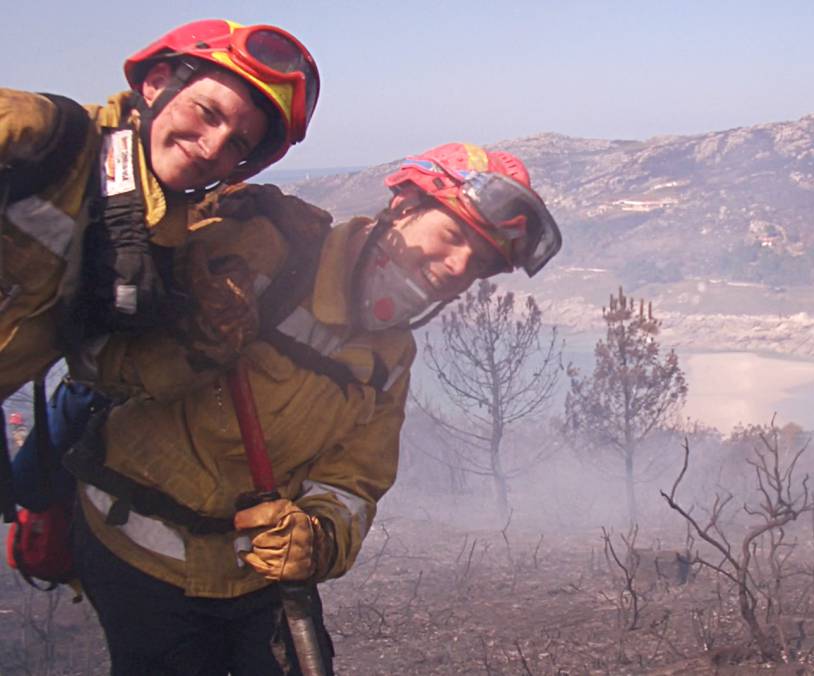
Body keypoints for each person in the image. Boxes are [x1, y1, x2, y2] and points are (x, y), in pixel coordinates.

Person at [65, 142, 562, 674]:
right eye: (455, 235)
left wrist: (314, 537)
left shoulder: (390, 356)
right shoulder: (263, 251)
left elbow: (354, 482)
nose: (461, 268)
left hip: (257, 569)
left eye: (482, 262)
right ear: (403, 207)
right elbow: (96, 354)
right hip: (138, 555)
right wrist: (189, 345)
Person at [0, 18, 319, 403]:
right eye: (207, 113)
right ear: (155, 85)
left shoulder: (163, 243)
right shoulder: (41, 134)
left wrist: (205, 343)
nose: (211, 148)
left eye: (236, 143)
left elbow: (103, 368)